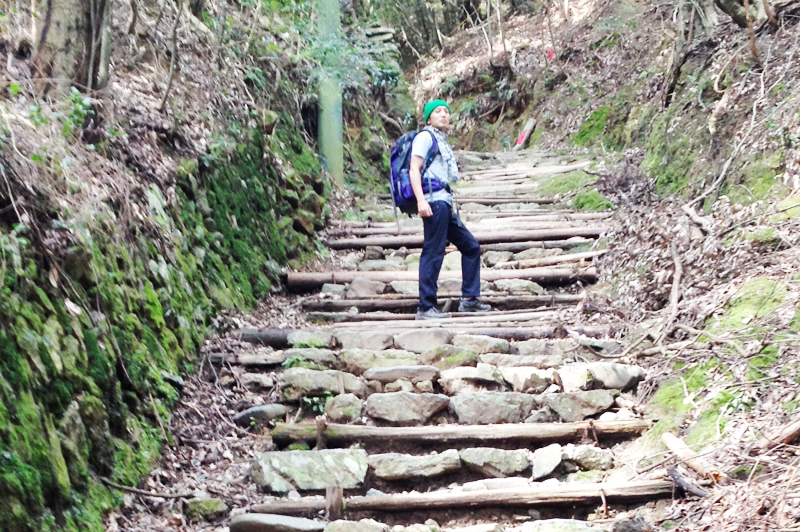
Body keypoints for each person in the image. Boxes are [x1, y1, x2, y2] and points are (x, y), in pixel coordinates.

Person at [410, 100, 492, 320]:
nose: (444, 114)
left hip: (444, 202)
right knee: (433, 252)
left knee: (471, 246)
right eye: (437, 111)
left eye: (446, 111)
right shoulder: (425, 137)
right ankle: (425, 307)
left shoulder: (441, 140)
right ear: (428, 118)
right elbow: (414, 169)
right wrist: (420, 201)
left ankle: (469, 300)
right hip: (433, 201)